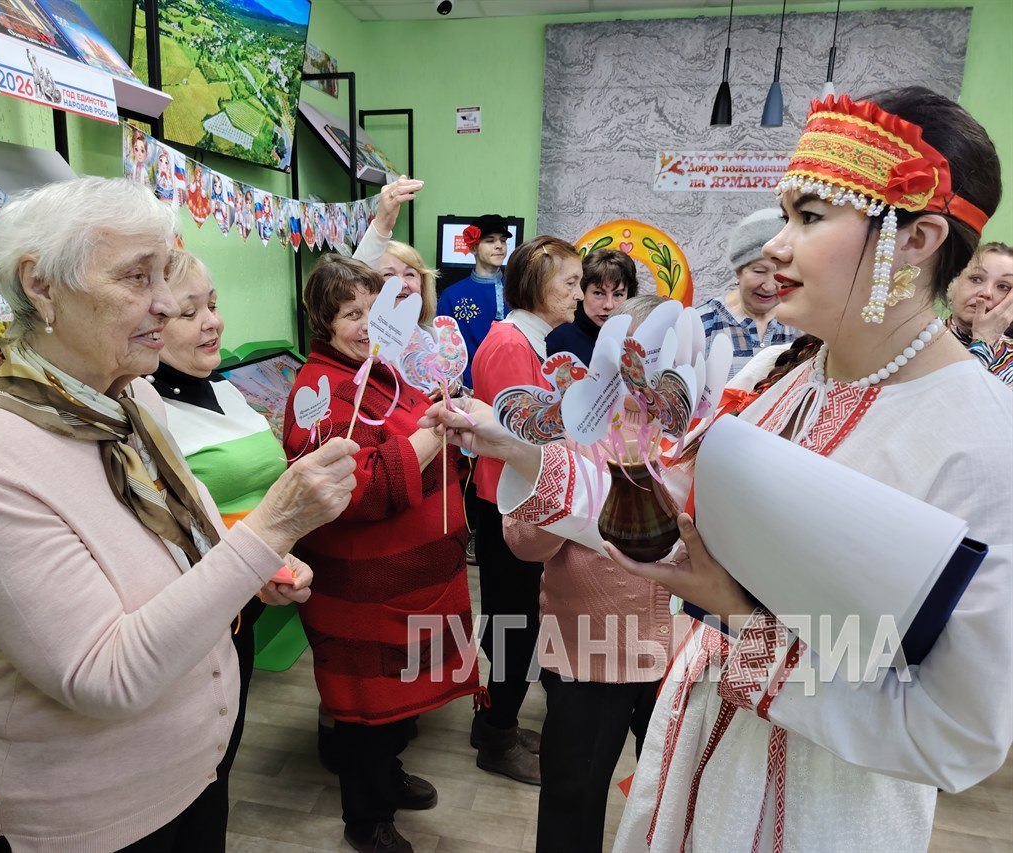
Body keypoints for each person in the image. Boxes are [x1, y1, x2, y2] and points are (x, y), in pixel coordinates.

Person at [423, 87, 1012, 852]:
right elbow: (665, 516)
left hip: (820, 801)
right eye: (785, 214)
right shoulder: (775, 373)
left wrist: (733, 613)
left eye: (809, 217)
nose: (774, 246)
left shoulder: (981, 441)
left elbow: (956, 734)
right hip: (696, 744)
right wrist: (524, 450)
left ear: (917, 238)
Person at [0, 177, 359, 852]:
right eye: (136, 276)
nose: (164, 301)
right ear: (41, 286)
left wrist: (253, 569)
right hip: (91, 818)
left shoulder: (132, 398)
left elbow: (187, 544)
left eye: (164, 273)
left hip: (196, 775)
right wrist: (272, 528)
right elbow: (103, 675)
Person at [283, 255, 479, 853]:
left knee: (400, 705)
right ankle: (365, 818)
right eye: (351, 314)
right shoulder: (317, 390)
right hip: (365, 595)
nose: (368, 325)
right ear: (323, 322)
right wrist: (430, 435)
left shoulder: (390, 371)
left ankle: (387, 776)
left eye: (377, 309)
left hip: (418, 584)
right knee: (367, 708)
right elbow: (355, 489)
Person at [502, 293, 672, 852]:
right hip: (588, 649)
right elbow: (523, 544)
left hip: (680, 653)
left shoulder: (695, 432)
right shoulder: (567, 427)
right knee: (573, 793)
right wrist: (573, 498)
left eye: (663, 355)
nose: (644, 372)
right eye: (634, 354)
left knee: (675, 791)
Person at [146, 248, 290, 806]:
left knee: (224, 749)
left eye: (213, 304)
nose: (213, 322)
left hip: (245, 598)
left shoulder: (223, 386)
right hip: (196, 614)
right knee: (193, 773)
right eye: (190, 312)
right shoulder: (146, 411)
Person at [468, 235, 584, 787]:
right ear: (537, 284)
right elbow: (517, 439)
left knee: (520, 620)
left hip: (524, 502)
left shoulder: (532, 340)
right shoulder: (512, 344)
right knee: (513, 623)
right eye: (571, 283)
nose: (579, 295)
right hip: (508, 505)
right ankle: (496, 735)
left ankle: (498, 722)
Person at [695, 208, 802, 379]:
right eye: (759, 271)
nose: (769, 286)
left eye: (779, 273)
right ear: (738, 270)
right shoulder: (701, 323)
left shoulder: (800, 324)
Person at [437, 214, 513, 388]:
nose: (499, 246)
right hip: (468, 388)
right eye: (490, 240)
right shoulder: (452, 295)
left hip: (513, 386)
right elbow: (446, 351)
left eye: (503, 240)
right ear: (473, 248)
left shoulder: (519, 290)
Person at [546, 248, 639, 364]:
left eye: (618, 295)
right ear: (582, 291)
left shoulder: (635, 337)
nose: (608, 305)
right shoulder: (555, 338)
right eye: (599, 293)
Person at [947, 241, 1013, 385]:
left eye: (1003, 286)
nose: (986, 292)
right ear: (951, 286)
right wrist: (984, 340)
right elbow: (957, 394)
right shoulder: (918, 344)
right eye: (976, 279)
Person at [378, 238, 439, 329]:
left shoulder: (433, 337)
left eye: (409, 274)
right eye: (388, 274)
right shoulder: (360, 336)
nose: (402, 284)